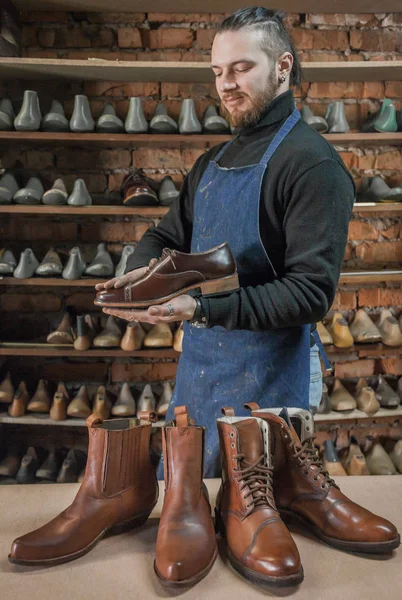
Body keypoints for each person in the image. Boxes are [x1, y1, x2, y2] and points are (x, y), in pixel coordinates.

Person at [96, 7, 355, 477]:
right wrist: (142, 271)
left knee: (255, 519)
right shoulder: (211, 164)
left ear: (283, 67)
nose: (226, 84)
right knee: (190, 507)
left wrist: (199, 309)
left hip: (269, 383)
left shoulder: (313, 165)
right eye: (218, 71)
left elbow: (310, 293)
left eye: (241, 68)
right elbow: (163, 235)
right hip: (198, 374)